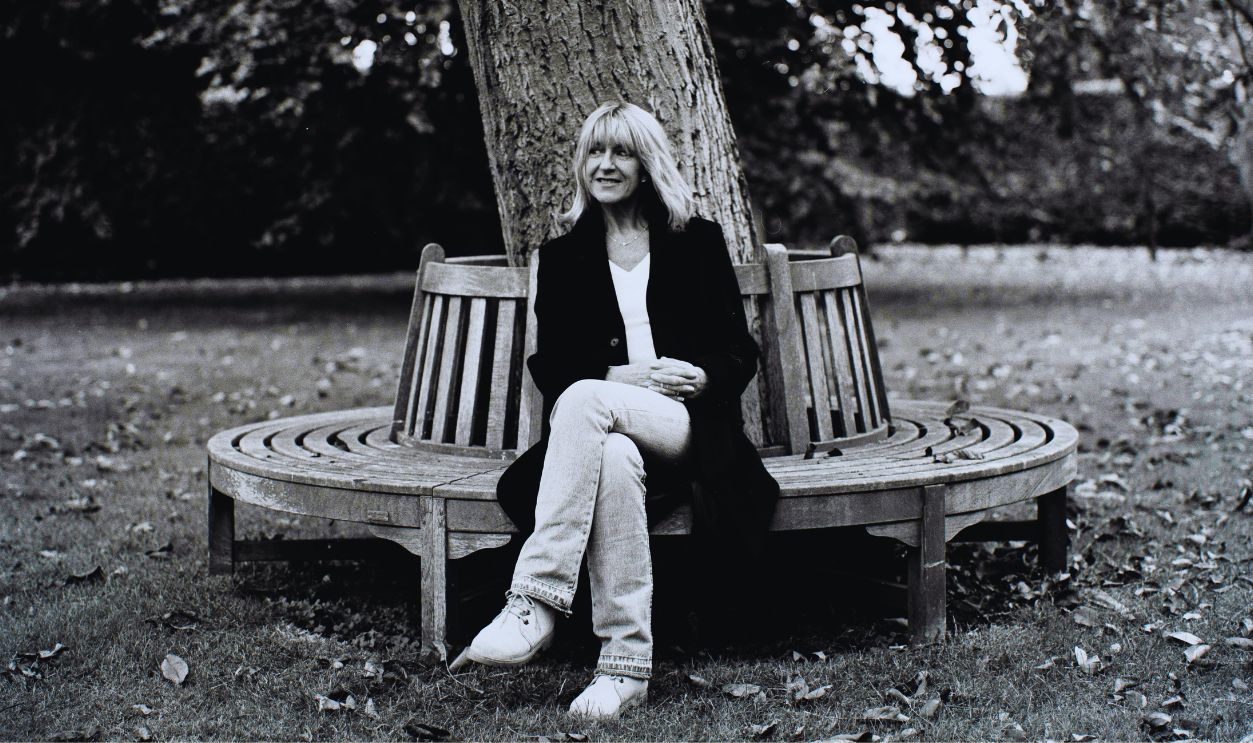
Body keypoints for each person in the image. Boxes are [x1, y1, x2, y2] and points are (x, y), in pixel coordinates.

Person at [462, 101, 779, 720]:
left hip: (687, 428)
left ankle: (536, 601)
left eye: (621, 151)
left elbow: (740, 350)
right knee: (605, 445)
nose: (605, 165)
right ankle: (624, 667)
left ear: (645, 163)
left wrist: (705, 373)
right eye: (594, 152)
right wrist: (619, 376)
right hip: (606, 434)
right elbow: (551, 367)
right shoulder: (562, 256)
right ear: (581, 164)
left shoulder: (697, 240)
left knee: (584, 400)